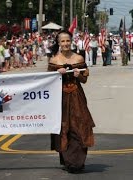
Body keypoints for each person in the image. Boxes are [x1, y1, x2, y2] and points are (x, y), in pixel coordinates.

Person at [48, 30, 95, 174]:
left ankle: (78, 162)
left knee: (79, 125)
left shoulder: (79, 58)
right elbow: (48, 82)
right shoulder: (54, 60)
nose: (65, 44)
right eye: (62, 41)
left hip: (76, 96)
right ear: (58, 43)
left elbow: (84, 79)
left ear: (71, 41)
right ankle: (68, 161)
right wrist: (57, 75)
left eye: (67, 40)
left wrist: (78, 75)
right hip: (60, 98)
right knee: (63, 127)